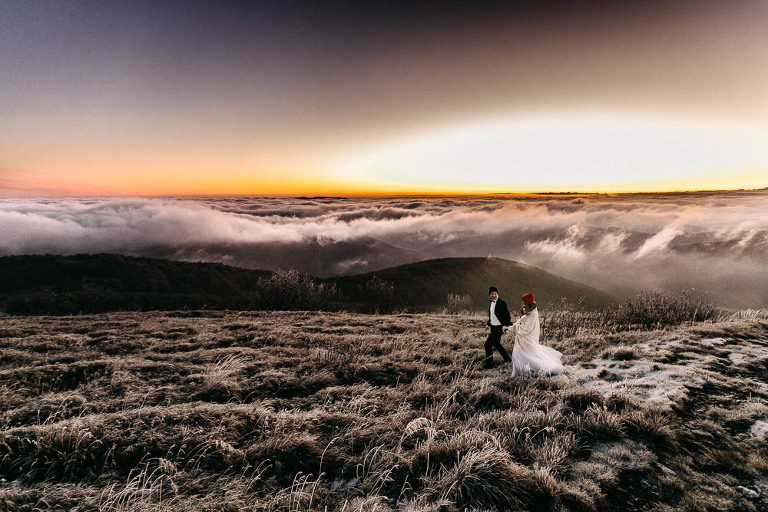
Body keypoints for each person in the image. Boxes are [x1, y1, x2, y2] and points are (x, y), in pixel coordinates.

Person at [509, 292, 564, 377]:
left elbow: (527, 329)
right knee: (520, 354)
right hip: (522, 339)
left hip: (525, 338)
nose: (523, 303)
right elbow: (523, 321)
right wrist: (512, 327)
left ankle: (530, 370)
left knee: (527, 355)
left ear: (528, 302)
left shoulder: (533, 313)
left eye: (524, 302)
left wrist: (517, 327)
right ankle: (520, 371)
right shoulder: (530, 310)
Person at [484, 286, 513, 369]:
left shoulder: (501, 303)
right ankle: (508, 360)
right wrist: (488, 324)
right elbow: (492, 316)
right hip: (493, 327)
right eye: (492, 294)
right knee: (497, 344)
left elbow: (507, 316)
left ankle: (489, 365)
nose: (493, 295)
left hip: (499, 327)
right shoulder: (491, 303)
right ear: (489, 295)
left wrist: (505, 325)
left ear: (497, 294)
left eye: (495, 293)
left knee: (487, 345)